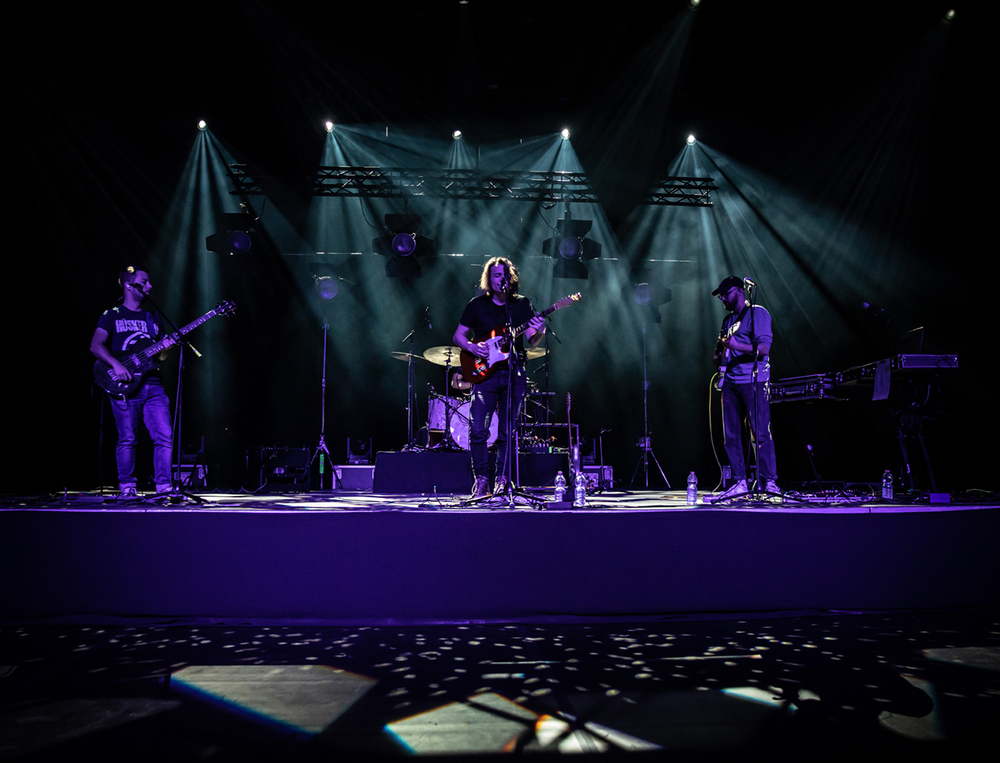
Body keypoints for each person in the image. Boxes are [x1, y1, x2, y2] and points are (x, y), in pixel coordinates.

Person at [453, 257, 545, 497]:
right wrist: (473, 349)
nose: (499, 279)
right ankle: (481, 479)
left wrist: (541, 329)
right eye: (495, 275)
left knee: (508, 431)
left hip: (514, 372)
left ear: (510, 277)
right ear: (488, 278)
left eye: (503, 275)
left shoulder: (521, 304)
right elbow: (459, 336)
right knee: (478, 429)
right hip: (484, 374)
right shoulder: (477, 305)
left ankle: (503, 480)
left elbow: (533, 339)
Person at [90, 267, 176, 498]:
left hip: (154, 385)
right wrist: (116, 365)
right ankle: (127, 486)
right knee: (128, 437)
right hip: (124, 386)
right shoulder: (113, 314)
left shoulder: (152, 318)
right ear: (129, 285)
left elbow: (158, 358)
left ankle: (164, 487)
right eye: (144, 282)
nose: (149, 286)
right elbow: (96, 345)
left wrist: (165, 348)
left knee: (164, 436)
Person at [710, 276, 778, 500]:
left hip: (754, 380)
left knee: (759, 433)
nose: (722, 298)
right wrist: (719, 354)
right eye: (720, 295)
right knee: (730, 435)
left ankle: (769, 482)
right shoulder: (728, 320)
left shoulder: (757, 313)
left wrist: (737, 345)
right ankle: (739, 481)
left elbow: (764, 348)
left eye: (726, 294)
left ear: (740, 292)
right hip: (730, 381)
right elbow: (719, 354)